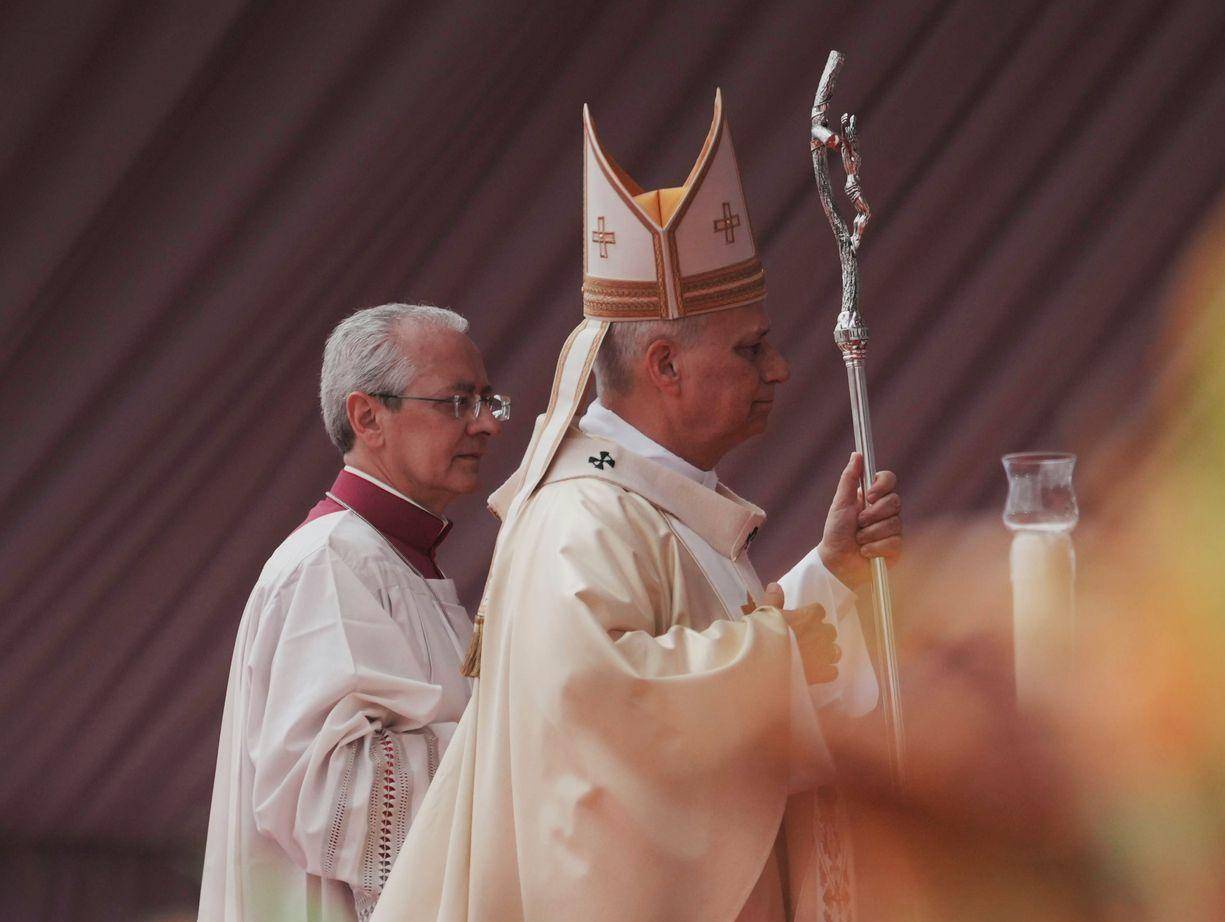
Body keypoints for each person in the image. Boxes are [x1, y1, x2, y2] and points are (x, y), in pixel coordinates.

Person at [371, 91, 900, 921]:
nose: (780, 370)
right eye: (750, 348)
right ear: (664, 365)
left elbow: (697, 656)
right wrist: (775, 663)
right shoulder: (581, 519)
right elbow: (605, 712)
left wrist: (827, 574)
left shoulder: (650, 501)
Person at [198, 303, 508, 920]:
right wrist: (524, 744)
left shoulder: (392, 561)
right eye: (456, 402)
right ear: (369, 417)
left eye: (487, 402)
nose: (485, 426)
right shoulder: (332, 563)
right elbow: (337, 800)